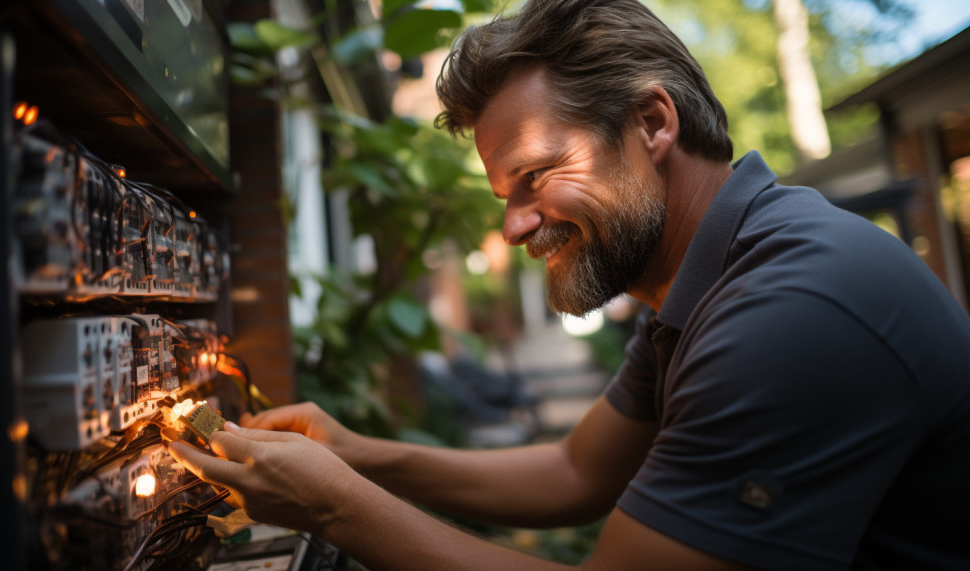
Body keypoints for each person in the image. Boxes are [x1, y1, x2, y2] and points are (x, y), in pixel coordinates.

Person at [168, 0, 970, 569]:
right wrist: (356, 455)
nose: (515, 227)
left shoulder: (788, 311)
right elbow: (576, 472)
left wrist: (333, 503)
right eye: (503, 196)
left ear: (654, 123)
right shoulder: (710, 276)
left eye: (536, 175)